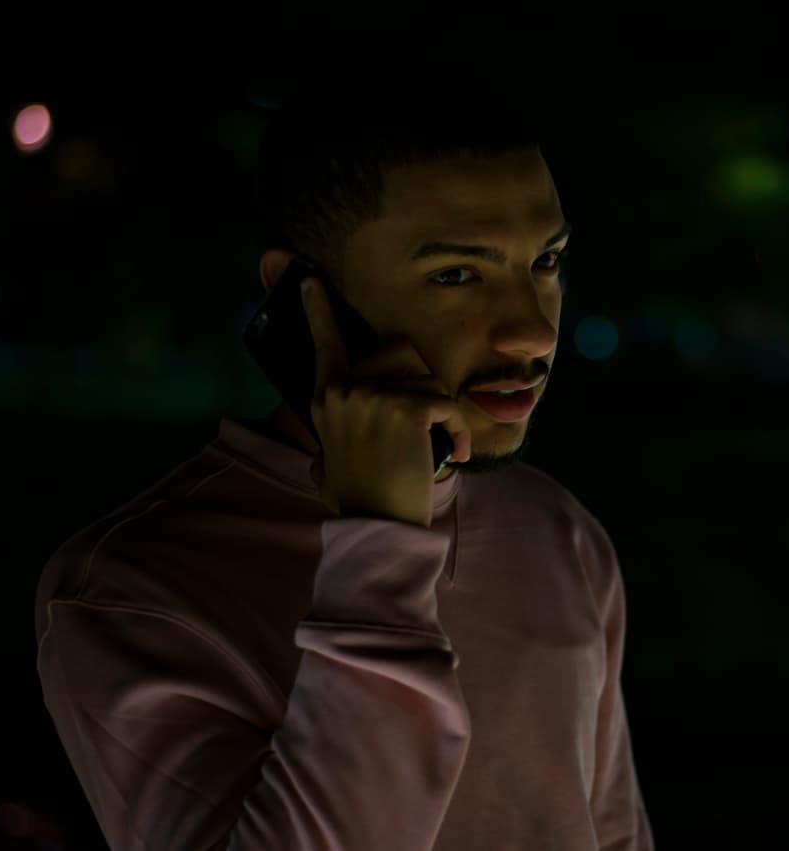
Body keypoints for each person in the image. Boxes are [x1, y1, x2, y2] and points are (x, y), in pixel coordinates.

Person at [33, 58, 654, 850]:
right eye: (456, 274)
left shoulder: (559, 534)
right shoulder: (132, 591)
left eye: (547, 263)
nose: (531, 330)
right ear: (303, 293)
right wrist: (379, 543)